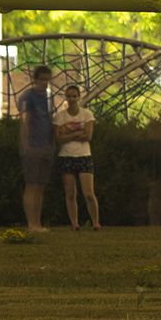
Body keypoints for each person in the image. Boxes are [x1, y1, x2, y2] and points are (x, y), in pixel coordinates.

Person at [54, 83, 101, 231]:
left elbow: (88, 135)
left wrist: (68, 134)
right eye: (69, 96)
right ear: (66, 98)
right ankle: (74, 223)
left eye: (74, 96)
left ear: (78, 97)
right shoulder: (60, 116)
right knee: (70, 192)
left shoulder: (86, 114)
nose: (72, 99)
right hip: (66, 156)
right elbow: (59, 138)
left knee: (88, 193)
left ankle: (95, 222)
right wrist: (76, 134)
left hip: (84, 156)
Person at [16, 65, 57, 233]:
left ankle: (37, 222)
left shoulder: (49, 97)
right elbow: (25, 121)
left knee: (40, 185)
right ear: (35, 80)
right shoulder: (28, 96)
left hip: (46, 146)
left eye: (47, 80)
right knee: (31, 184)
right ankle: (31, 223)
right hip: (33, 146)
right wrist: (26, 146)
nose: (44, 83)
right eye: (41, 79)